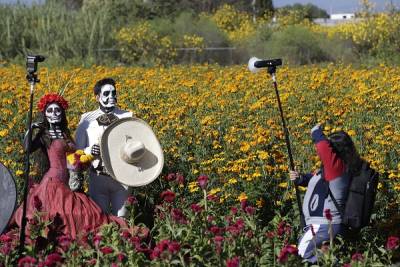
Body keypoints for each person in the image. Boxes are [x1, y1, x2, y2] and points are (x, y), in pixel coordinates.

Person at [11, 93, 125, 239]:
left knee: (88, 213)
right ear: (44, 114)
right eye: (50, 111)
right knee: (61, 214)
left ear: (62, 112)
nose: (54, 114)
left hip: (69, 182)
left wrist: (85, 156)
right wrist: (31, 127)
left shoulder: (65, 133)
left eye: (57, 110)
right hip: (53, 184)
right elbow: (27, 148)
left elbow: (73, 157)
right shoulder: (44, 134)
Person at [289, 124, 363, 263]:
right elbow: (319, 181)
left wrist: (316, 131)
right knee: (322, 259)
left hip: (324, 225)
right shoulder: (334, 170)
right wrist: (301, 179)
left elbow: (323, 148)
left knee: (298, 257)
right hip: (321, 225)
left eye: (331, 147)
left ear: (335, 151)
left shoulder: (337, 167)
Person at [75, 78, 132, 217]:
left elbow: (134, 144)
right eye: (106, 94)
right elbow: (77, 151)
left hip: (122, 177)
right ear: (97, 97)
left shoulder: (127, 116)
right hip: (97, 176)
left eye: (114, 93)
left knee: (123, 218)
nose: (111, 97)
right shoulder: (87, 119)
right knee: (100, 219)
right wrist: (90, 151)